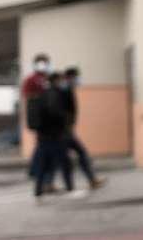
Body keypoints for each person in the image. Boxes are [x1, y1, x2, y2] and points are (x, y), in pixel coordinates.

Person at [60, 67, 106, 190]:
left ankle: (86, 181)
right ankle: (90, 180)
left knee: (63, 157)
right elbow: (62, 111)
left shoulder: (66, 89)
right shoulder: (64, 91)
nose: (78, 80)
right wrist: (66, 127)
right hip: (64, 131)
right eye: (76, 77)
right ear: (70, 77)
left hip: (65, 130)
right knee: (77, 153)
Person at [33, 72, 75, 201]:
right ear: (56, 81)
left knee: (43, 163)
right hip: (56, 134)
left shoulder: (42, 94)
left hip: (42, 135)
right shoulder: (55, 94)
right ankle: (69, 187)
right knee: (65, 162)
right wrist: (64, 126)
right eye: (60, 80)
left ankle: (38, 190)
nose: (62, 82)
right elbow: (56, 113)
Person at [22, 53, 56, 190]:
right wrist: (42, 97)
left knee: (45, 149)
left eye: (46, 63)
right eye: (42, 63)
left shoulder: (49, 79)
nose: (44, 66)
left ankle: (40, 177)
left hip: (52, 121)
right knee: (46, 150)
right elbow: (28, 96)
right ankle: (44, 180)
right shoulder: (31, 79)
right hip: (41, 121)